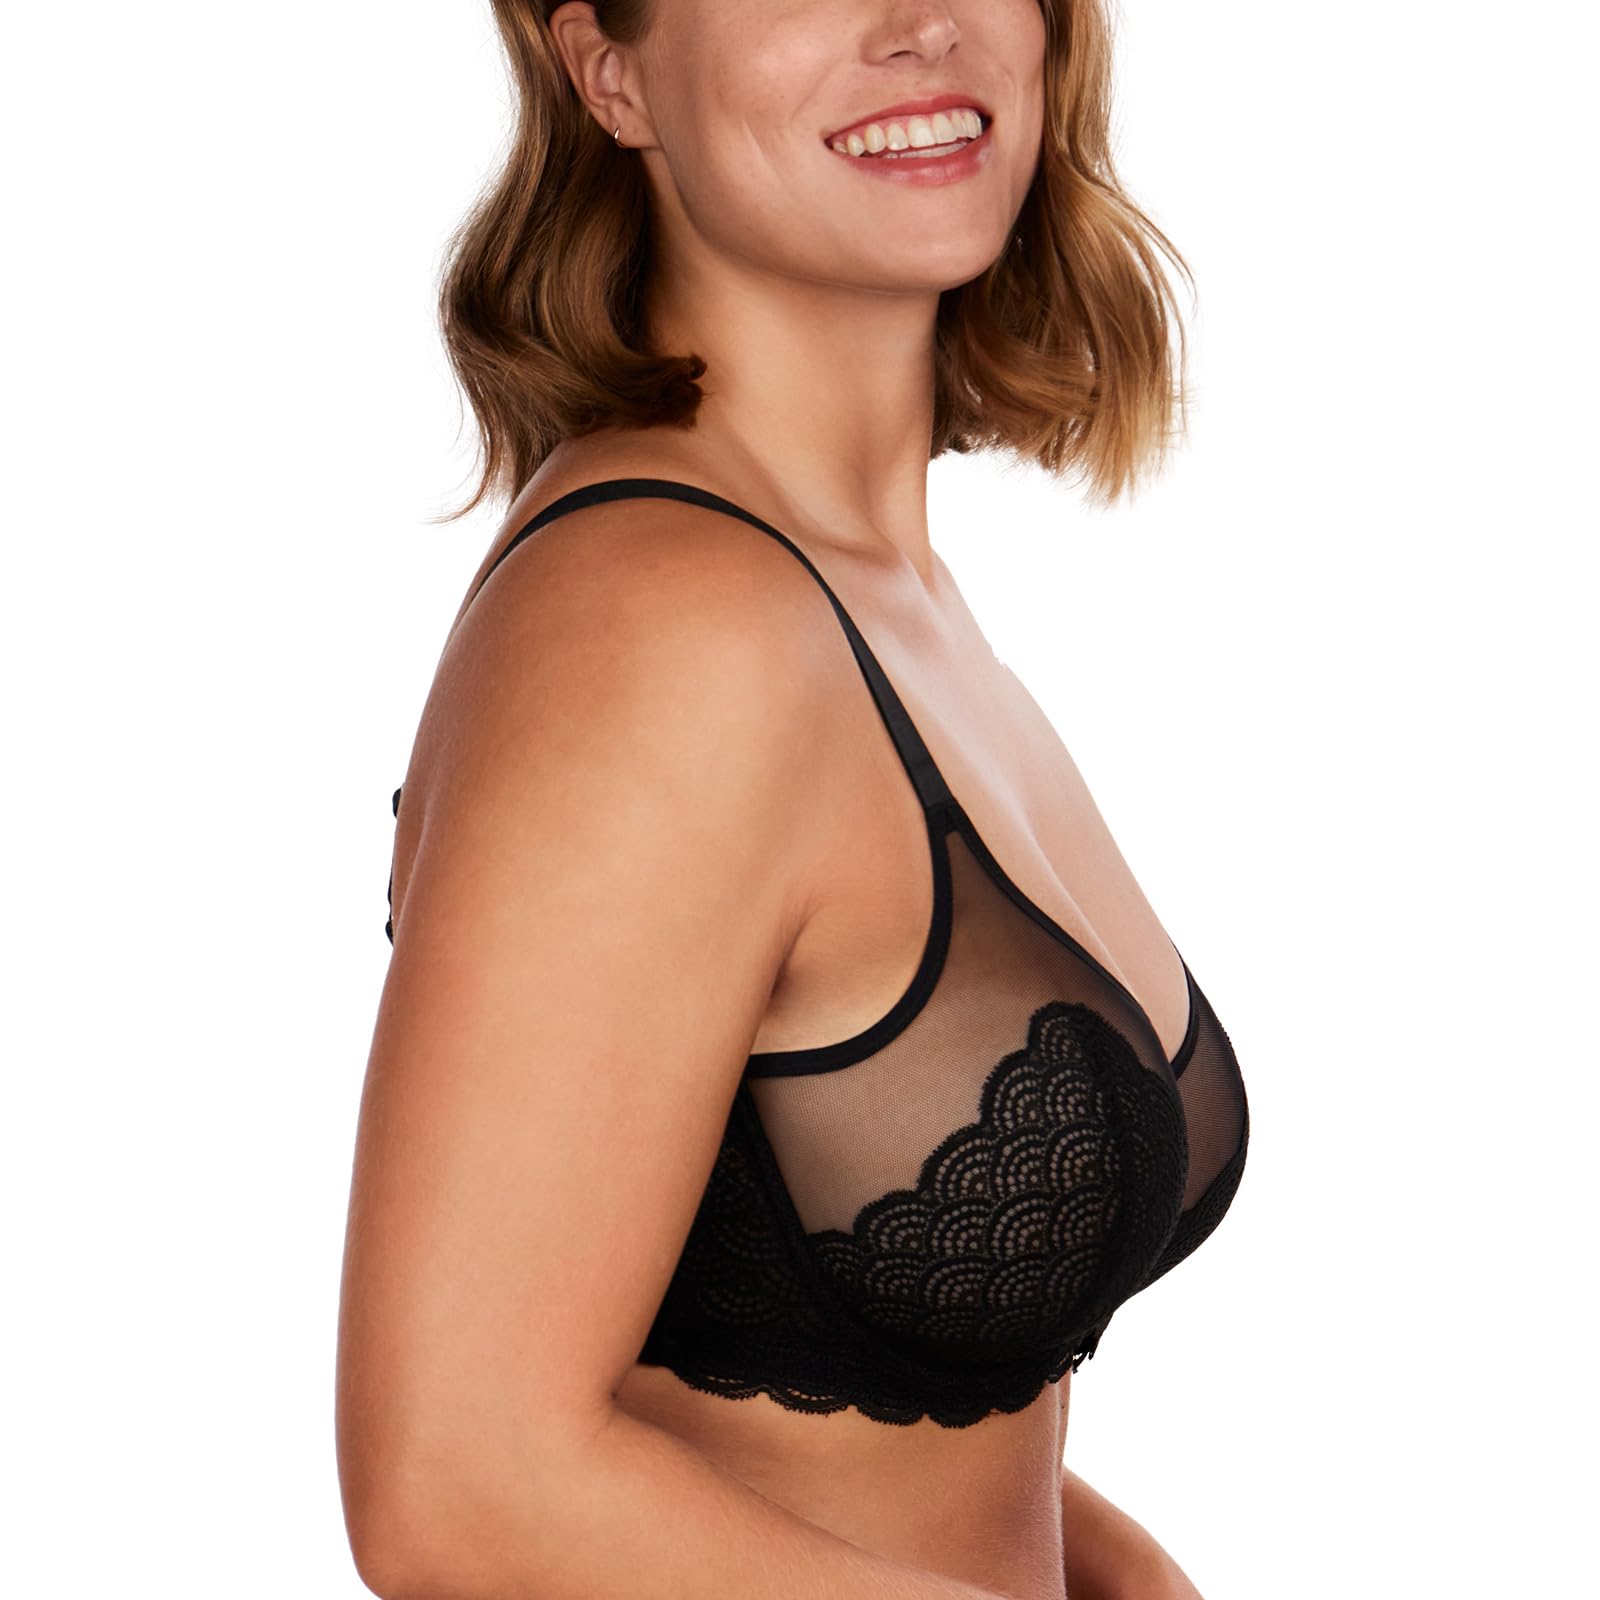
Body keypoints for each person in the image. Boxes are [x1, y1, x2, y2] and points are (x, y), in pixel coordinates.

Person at [336, 0, 1249, 1595]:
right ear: (610, 72)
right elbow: (460, 1485)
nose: (923, 25)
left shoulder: (878, 596)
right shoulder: (670, 620)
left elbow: (858, 1418)